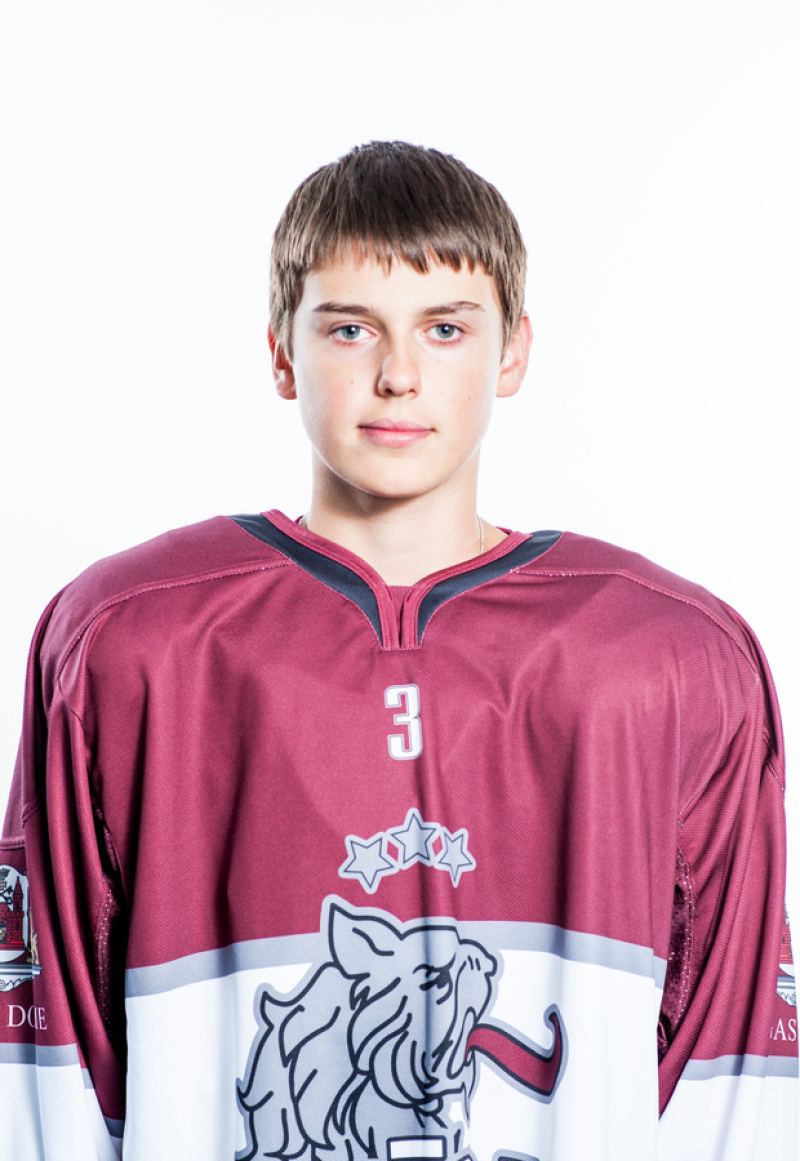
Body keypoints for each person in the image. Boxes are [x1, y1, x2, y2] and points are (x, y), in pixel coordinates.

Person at [0, 141, 796, 1160]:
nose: (398, 375)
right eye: (349, 328)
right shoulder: (127, 637)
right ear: (281, 352)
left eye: (445, 327)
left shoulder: (670, 655)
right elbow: (48, 1047)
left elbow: (733, 1060)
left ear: (511, 352)